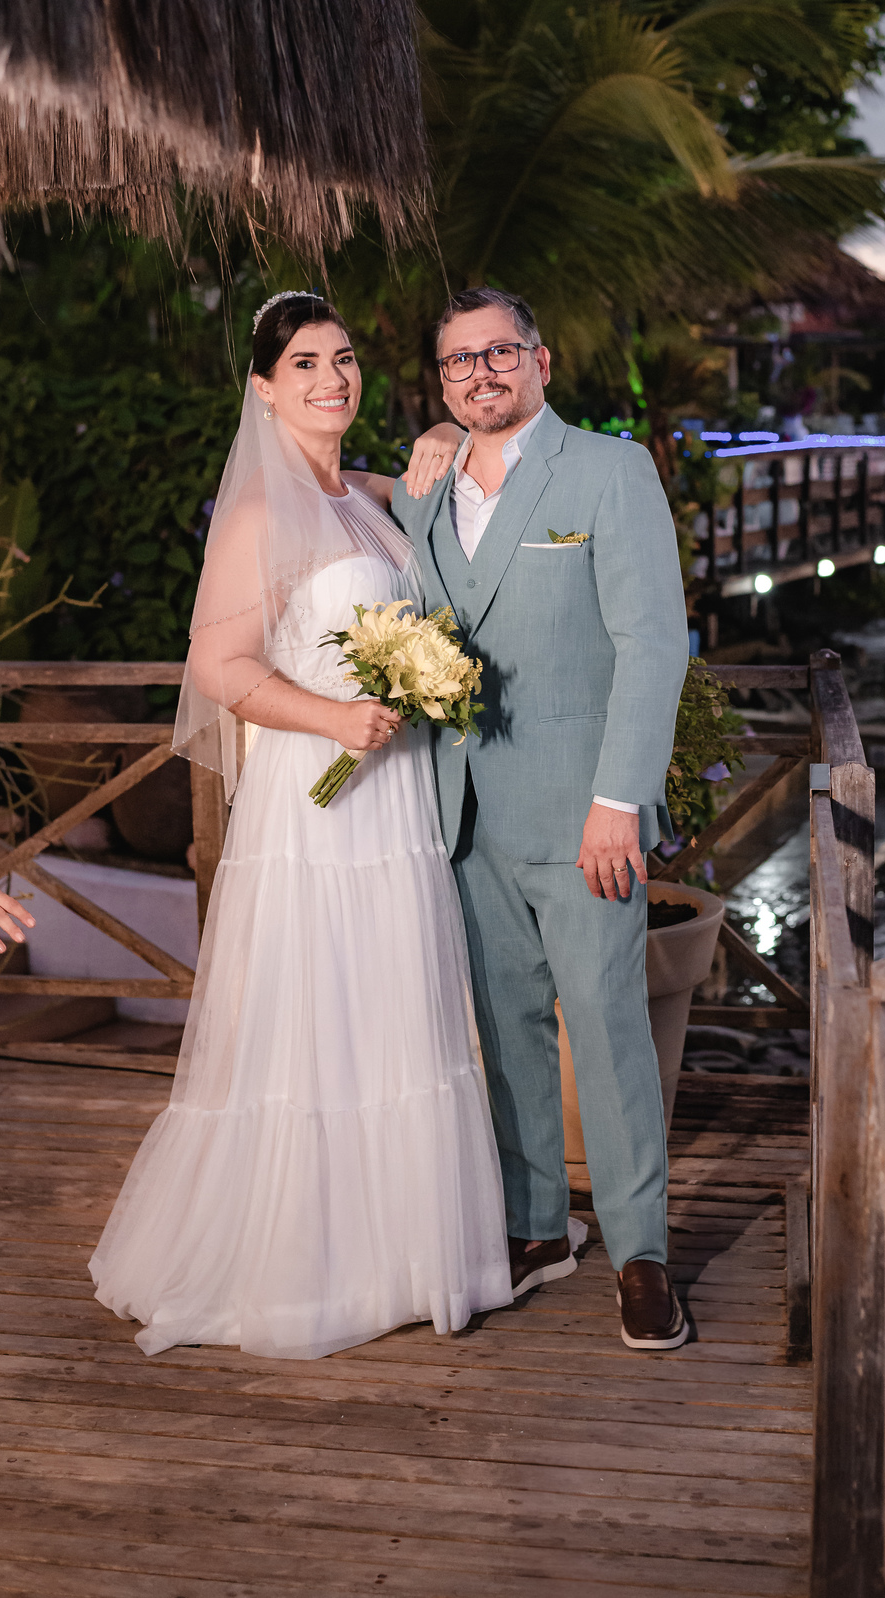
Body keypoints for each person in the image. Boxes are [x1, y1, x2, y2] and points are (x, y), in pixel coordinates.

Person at [90, 292, 513, 1359]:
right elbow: (216, 666)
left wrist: (441, 428)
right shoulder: (257, 515)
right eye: (307, 364)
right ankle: (303, 1266)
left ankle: (404, 1254)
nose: (334, 378)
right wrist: (333, 717)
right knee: (316, 1017)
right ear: (265, 390)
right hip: (316, 798)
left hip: (394, 800)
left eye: (346, 358)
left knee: (391, 1010)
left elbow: (449, 468)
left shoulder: (362, 496)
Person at [392, 286, 690, 1350]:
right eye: (458, 362)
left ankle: (642, 1253)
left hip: (583, 818)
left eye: (499, 353)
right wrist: (428, 446)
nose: (480, 373)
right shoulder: (421, 491)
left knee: (607, 1027)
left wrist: (620, 803)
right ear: (441, 382)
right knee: (503, 1028)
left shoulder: (610, 471)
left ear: (542, 360)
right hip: (462, 813)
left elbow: (654, 643)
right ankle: (535, 1225)